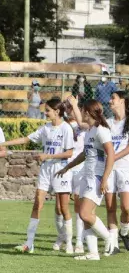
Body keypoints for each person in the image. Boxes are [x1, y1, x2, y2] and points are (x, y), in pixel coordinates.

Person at [0, 98, 75, 254]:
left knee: (63, 208)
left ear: (57, 111)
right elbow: (26, 138)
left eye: (47, 110)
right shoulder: (45, 128)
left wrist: (47, 156)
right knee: (37, 204)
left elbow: (69, 153)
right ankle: (29, 243)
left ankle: (69, 243)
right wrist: (3, 144)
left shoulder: (66, 128)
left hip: (61, 170)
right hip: (46, 170)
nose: (45, 113)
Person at [56, 99, 115, 261]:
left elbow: (111, 155)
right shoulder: (90, 131)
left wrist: (104, 179)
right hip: (86, 176)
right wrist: (68, 167)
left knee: (85, 213)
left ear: (88, 112)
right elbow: (84, 154)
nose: (80, 113)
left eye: (81, 110)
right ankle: (93, 253)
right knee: (86, 217)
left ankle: (110, 238)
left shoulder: (101, 131)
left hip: (96, 177)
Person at [105, 90, 129, 252]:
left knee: (126, 207)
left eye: (113, 98)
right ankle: (113, 245)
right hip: (110, 170)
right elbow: (86, 124)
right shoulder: (108, 122)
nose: (110, 101)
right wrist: (76, 108)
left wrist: (113, 157)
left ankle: (124, 233)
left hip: (126, 169)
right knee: (111, 208)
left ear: (122, 101)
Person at [52, 99, 87, 254]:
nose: (69, 109)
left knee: (78, 206)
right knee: (60, 207)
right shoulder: (62, 125)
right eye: (66, 107)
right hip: (64, 167)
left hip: (80, 168)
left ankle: (79, 241)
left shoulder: (85, 125)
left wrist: (75, 106)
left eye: (72, 107)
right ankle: (63, 237)